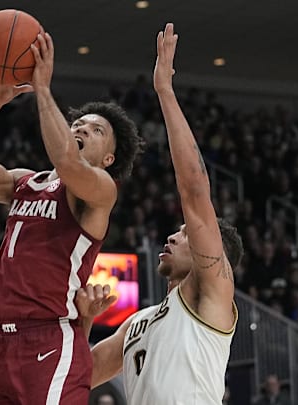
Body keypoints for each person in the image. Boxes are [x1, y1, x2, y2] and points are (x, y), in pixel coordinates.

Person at [0, 30, 144, 404]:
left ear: (108, 159)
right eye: (79, 123)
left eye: (96, 130)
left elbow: (67, 162)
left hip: (50, 341)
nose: (82, 128)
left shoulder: (101, 190)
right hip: (1, 342)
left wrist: (42, 89)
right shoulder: (24, 182)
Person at [76, 24, 244, 404]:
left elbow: (196, 191)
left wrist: (165, 92)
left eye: (184, 234)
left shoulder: (211, 295)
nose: (172, 237)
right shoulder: (137, 323)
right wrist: (85, 323)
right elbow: (77, 378)